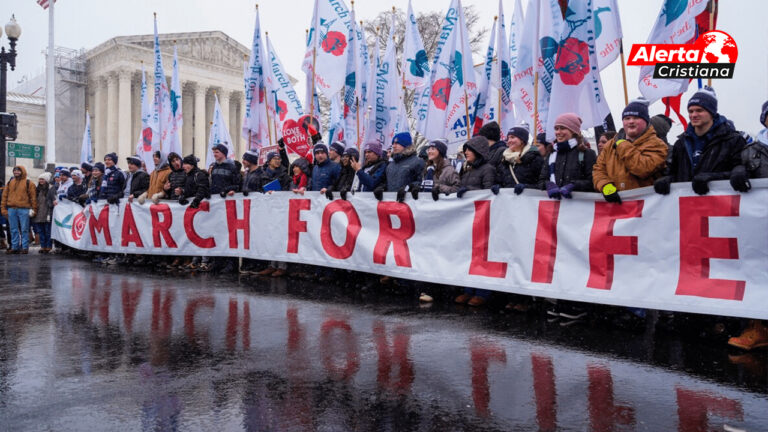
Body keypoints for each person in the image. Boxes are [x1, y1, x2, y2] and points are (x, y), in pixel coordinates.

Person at [726, 100, 768, 351]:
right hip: (760, 222)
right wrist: (737, 170)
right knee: (758, 269)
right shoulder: (750, 150)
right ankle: (758, 327)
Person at [654, 86, 746, 196]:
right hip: (688, 205)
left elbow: (740, 171)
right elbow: (675, 173)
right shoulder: (681, 143)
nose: (694, 115)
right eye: (691, 111)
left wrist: (712, 178)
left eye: (699, 110)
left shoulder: (733, 140)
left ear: (711, 112)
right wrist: (667, 179)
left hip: (720, 204)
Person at [593, 100, 668, 204]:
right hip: (617, 207)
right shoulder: (610, 145)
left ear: (646, 121)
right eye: (627, 118)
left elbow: (643, 169)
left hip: (646, 208)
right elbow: (598, 170)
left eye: (636, 118)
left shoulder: (658, 145)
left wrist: (623, 145)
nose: (631, 121)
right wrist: (605, 185)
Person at [453, 136, 497, 307]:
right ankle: (468, 289)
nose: (466, 153)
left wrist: (469, 190)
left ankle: (482, 292)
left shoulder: (488, 169)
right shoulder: (467, 169)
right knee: (468, 255)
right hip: (468, 219)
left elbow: (487, 192)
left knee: (481, 255)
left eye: (469, 149)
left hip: (482, 218)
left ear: (478, 152)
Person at [537, 113, 597, 198]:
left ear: (573, 131)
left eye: (562, 128)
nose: (558, 132)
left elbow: (593, 182)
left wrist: (574, 185)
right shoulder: (551, 154)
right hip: (555, 207)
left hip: (579, 207)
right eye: (556, 129)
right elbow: (541, 181)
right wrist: (548, 185)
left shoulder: (587, 153)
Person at [376, 132, 424, 201]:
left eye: (397, 143)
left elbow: (422, 182)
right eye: (393, 143)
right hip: (392, 204)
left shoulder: (417, 161)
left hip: (409, 205)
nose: (394, 146)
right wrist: (382, 187)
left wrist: (409, 187)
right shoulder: (390, 165)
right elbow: (388, 182)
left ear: (406, 145)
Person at [496, 126, 544, 194]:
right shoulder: (504, 160)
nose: (509, 141)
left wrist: (526, 187)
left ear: (522, 140)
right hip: (508, 202)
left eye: (512, 137)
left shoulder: (535, 159)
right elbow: (499, 180)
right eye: (508, 138)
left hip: (529, 202)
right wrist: (497, 186)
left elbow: (542, 184)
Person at [1, 165, 37, 254]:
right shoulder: (10, 183)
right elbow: (4, 197)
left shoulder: (29, 183)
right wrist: (3, 209)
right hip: (11, 209)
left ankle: (25, 247)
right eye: (15, 171)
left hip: (24, 209)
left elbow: (33, 198)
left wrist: (34, 209)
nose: (16, 172)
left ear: (22, 172)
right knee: (13, 229)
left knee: (24, 229)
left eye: (18, 171)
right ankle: (14, 247)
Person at [32, 172, 56, 254]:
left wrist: (49, 213)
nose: (41, 181)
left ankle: (48, 246)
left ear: (46, 180)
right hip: (39, 213)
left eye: (42, 179)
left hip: (47, 213)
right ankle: (43, 246)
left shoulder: (51, 189)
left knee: (47, 231)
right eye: (40, 179)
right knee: (41, 231)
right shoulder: (37, 189)